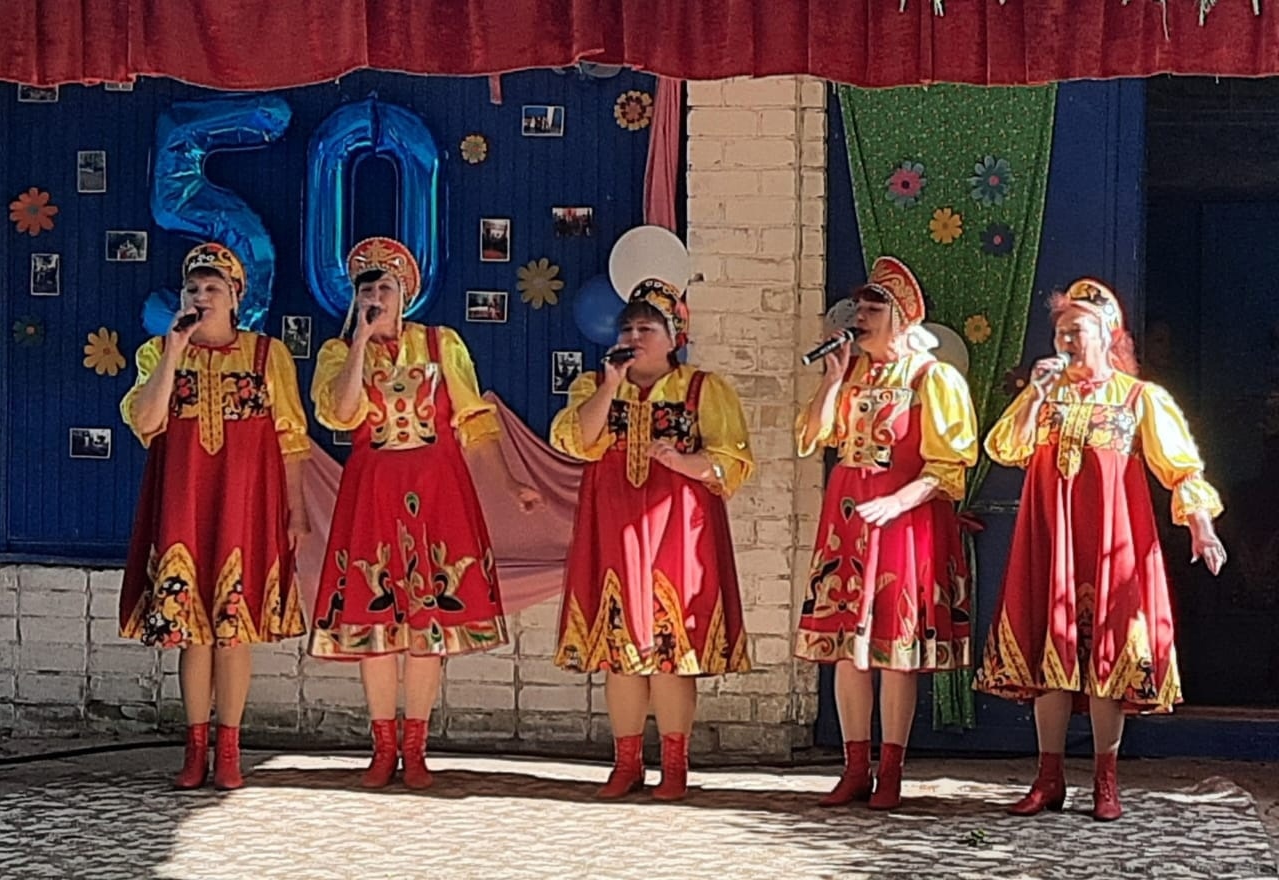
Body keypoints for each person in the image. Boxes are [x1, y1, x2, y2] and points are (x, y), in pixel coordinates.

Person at [975, 278, 1226, 821]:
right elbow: (1006, 448)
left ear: (1107, 334)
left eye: (1077, 330)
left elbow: (1181, 468)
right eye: (1061, 332)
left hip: (1112, 539)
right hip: (1052, 538)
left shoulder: (1139, 398)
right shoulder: (1045, 396)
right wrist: (1034, 394)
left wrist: (1201, 526)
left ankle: (1105, 782)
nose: (1066, 341)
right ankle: (1048, 779)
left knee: (1106, 655)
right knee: (1052, 653)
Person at [308, 237, 541, 789]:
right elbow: (340, 414)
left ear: (405, 295)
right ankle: (381, 745)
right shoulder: (338, 354)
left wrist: (510, 483)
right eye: (367, 288)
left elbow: (474, 422)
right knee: (373, 621)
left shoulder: (441, 343)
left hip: (436, 491)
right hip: (374, 492)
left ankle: (415, 746)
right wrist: (359, 340)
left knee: (426, 624)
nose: (376, 295)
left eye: (385, 287)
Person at [552, 279, 754, 802]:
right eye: (627, 327)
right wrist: (610, 385)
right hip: (613, 525)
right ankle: (626, 763)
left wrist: (683, 462)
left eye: (647, 327)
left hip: (678, 528)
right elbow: (578, 441)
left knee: (671, 648)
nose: (634, 336)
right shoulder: (595, 385)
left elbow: (731, 459)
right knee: (619, 647)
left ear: (674, 337)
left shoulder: (702, 388)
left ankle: (675, 764)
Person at [119, 242, 311, 790]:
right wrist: (175, 351)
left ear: (235, 297)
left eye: (213, 289)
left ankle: (229, 748)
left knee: (232, 630)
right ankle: (194, 746)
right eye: (193, 289)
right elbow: (146, 422)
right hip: (183, 502)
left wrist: (296, 509)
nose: (202, 297)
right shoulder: (158, 353)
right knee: (192, 632)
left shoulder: (266, 354)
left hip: (243, 504)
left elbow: (292, 439)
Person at [794, 256, 978, 810]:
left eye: (873, 310)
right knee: (846, 648)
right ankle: (854, 767)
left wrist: (898, 501)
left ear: (901, 319)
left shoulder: (931, 378)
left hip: (904, 520)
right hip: (849, 520)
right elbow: (813, 437)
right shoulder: (852, 374)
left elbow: (950, 465)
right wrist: (832, 381)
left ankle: (892, 768)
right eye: (859, 309)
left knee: (896, 649)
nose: (861, 318)